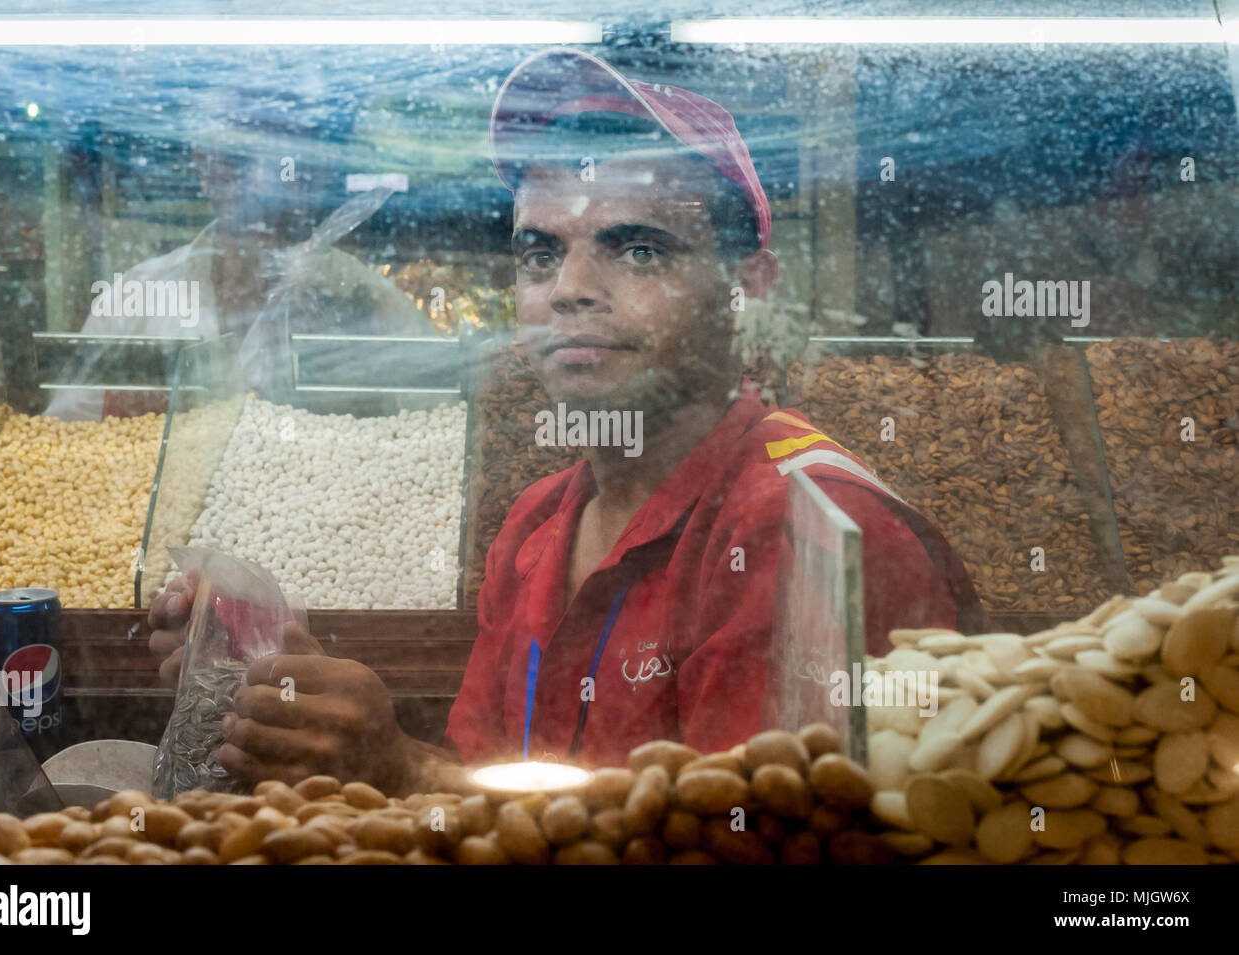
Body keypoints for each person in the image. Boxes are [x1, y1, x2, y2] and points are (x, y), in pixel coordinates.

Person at [148, 49, 982, 792]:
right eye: (541, 253)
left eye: (638, 248)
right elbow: (489, 791)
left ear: (749, 287)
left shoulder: (809, 535)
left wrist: (395, 764)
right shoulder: (538, 523)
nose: (569, 288)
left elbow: (737, 843)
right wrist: (303, 694)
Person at [45, 89, 429, 421]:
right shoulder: (136, 299)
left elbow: (436, 433)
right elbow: (70, 437)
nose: (260, 185)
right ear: (203, 165)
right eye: (239, 159)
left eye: (282, 161)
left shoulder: (375, 307)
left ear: (320, 169)